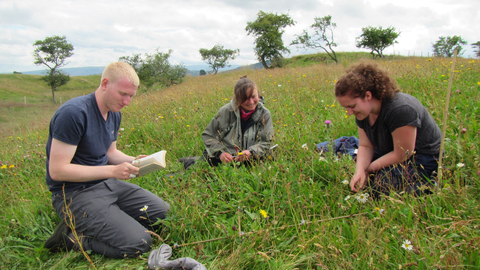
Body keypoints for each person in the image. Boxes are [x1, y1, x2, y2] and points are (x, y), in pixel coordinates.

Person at [44, 62, 170, 258]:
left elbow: (110, 152)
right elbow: (58, 170)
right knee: (139, 243)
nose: (127, 102)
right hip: (74, 194)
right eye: (123, 94)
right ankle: (70, 239)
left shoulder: (113, 113)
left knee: (164, 215)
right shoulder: (73, 114)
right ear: (104, 84)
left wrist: (134, 160)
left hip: (107, 184)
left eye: (131, 96)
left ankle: (113, 218)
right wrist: (112, 171)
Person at [335, 60, 441, 199]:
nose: (349, 112)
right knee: (356, 172)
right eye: (346, 108)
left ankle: (432, 185)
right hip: (389, 150)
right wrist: (360, 171)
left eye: (352, 106)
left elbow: (403, 154)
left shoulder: (400, 109)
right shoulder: (363, 113)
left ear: (368, 96)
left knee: (381, 186)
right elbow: (366, 145)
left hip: (422, 156)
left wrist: (369, 168)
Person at [193, 76, 274, 168]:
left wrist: (251, 152)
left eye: (253, 97)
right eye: (246, 98)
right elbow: (209, 135)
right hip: (227, 160)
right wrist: (221, 154)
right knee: (201, 165)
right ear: (237, 98)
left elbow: (267, 142)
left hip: (252, 158)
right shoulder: (226, 111)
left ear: (258, 95)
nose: (251, 102)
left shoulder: (264, 114)